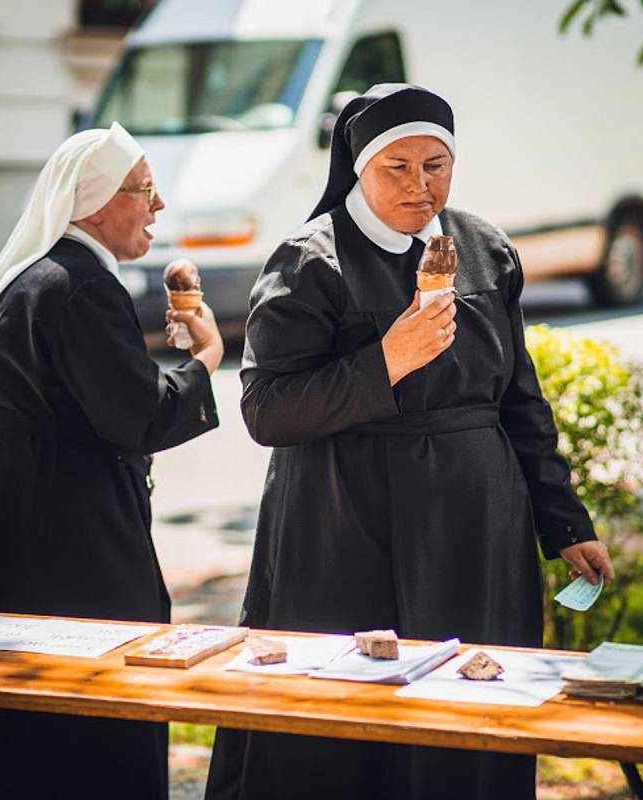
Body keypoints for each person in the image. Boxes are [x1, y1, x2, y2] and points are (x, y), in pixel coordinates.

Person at [205, 84, 615, 800]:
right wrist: (385, 362)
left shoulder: (484, 250)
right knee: (349, 721)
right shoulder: (309, 262)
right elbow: (266, 411)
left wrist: (563, 521)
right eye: (397, 166)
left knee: (473, 707)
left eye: (436, 165)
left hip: (474, 528)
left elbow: (518, 398)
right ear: (359, 166)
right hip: (344, 527)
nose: (419, 185)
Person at [0, 121, 224, 799]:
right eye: (144, 189)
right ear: (96, 202)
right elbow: (137, 418)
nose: (158, 205)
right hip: (57, 529)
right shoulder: (82, 284)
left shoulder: (37, 272)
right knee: (75, 704)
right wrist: (205, 360)